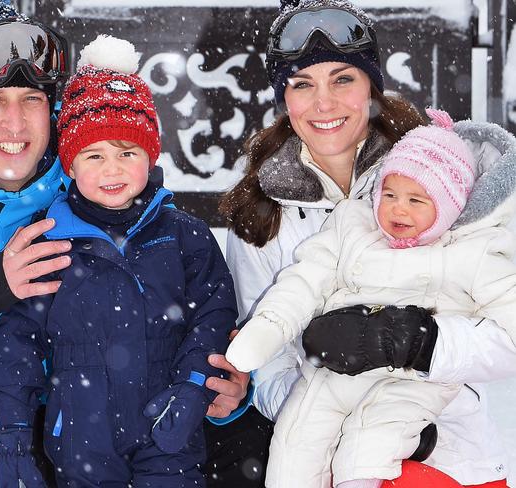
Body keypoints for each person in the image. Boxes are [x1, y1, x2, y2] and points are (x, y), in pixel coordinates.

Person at [0, 2, 246, 487]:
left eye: (31, 99)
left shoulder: (94, 178)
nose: (15, 123)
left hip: (110, 418)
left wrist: (225, 387)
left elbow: (184, 294)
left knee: (242, 428)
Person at [219, 1, 516, 487]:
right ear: (283, 98)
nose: (324, 104)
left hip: (444, 443)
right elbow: (268, 367)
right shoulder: (260, 214)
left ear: (371, 86)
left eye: (342, 79)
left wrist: (417, 343)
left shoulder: (436, 175)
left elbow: (504, 334)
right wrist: (329, 397)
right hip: (319, 448)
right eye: (302, 84)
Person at [0, 35, 238, 488]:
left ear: (150, 157)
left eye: (128, 153)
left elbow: (215, 314)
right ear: (70, 164)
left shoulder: (183, 234)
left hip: (169, 431)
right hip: (80, 441)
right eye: (94, 155)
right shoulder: (47, 242)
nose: (112, 169)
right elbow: (17, 345)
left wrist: (193, 384)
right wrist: (15, 438)